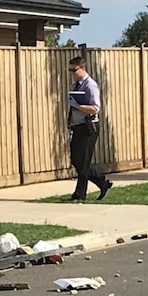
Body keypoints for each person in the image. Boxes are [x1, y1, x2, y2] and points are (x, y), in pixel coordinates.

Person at [66, 56, 112, 201]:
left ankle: (79, 194)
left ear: (83, 69)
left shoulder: (90, 85)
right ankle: (102, 182)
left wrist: (78, 106)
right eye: (70, 70)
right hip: (77, 126)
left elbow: (95, 108)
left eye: (74, 70)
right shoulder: (75, 85)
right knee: (76, 160)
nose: (72, 73)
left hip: (88, 127)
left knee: (84, 162)